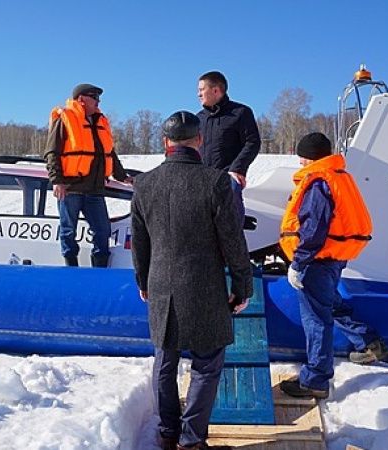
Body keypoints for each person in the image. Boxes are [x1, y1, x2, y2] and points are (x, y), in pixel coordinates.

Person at [131, 111, 253, 450]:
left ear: (165, 142)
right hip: (205, 287)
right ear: (199, 140)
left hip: (161, 286)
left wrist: (143, 281)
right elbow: (232, 240)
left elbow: (139, 242)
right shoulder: (215, 182)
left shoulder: (144, 184)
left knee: (165, 361)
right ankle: (191, 439)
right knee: (207, 364)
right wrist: (242, 285)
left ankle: (167, 432)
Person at [279, 132, 388, 399]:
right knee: (329, 302)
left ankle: (315, 380)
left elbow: (314, 229)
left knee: (316, 318)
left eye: (302, 158)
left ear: (311, 157)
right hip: (335, 256)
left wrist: (299, 262)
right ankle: (369, 342)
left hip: (317, 260)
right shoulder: (339, 177)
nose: (300, 163)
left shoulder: (318, 183)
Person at [44, 83, 130, 267]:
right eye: (94, 97)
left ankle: (99, 270)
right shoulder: (65, 119)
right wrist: (57, 180)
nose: (98, 102)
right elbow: (52, 152)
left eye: (99, 98)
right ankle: (71, 268)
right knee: (68, 231)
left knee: (102, 231)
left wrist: (122, 176)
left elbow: (109, 153)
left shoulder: (101, 122)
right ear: (81, 99)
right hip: (70, 188)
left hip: (95, 189)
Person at [196, 71, 261, 227]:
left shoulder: (240, 113)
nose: (198, 94)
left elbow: (252, 142)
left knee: (230, 227)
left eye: (201, 89)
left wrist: (237, 169)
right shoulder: (198, 118)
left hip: (227, 179)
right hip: (202, 182)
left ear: (216, 90)